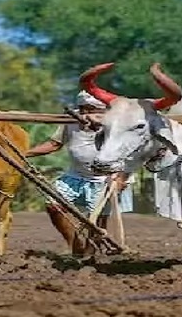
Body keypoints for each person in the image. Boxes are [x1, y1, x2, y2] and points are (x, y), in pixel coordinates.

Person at [26, 90, 134, 255]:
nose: (84, 114)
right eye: (82, 109)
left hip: (105, 179)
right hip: (75, 176)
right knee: (53, 206)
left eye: (90, 110)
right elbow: (54, 144)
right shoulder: (71, 120)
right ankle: (75, 245)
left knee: (96, 222)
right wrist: (24, 153)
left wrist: (121, 178)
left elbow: (133, 153)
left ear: (103, 111)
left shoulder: (118, 124)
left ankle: (89, 256)